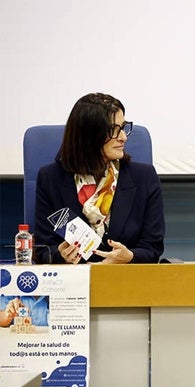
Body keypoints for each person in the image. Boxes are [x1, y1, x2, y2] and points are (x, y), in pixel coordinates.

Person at [34, 93, 165, 264]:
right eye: (113, 130)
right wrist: (60, 254)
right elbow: (43, 249)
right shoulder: (51, 179)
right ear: (88, 136)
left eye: (123, 127)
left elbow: (152, 249)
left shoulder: (144, 177)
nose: (123, 137)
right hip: (72, 283)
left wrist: (130, 257)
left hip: (125, 280)